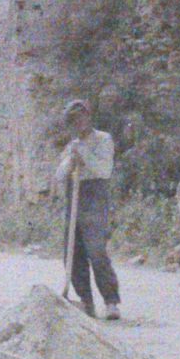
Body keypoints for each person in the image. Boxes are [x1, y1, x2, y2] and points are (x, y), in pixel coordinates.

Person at [55, 97, 122, 321]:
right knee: (72, 253)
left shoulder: (103, 139)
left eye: (82, 117)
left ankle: (111, 301)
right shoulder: (71, 146)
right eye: (74, 119)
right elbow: (59, 176)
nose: (79, 122)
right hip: (75, 197)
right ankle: (86, 302)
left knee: (96, 251)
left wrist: (83, 155)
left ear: (88, 117)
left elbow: (103, 170)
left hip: (95, 196)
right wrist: (69, 161)